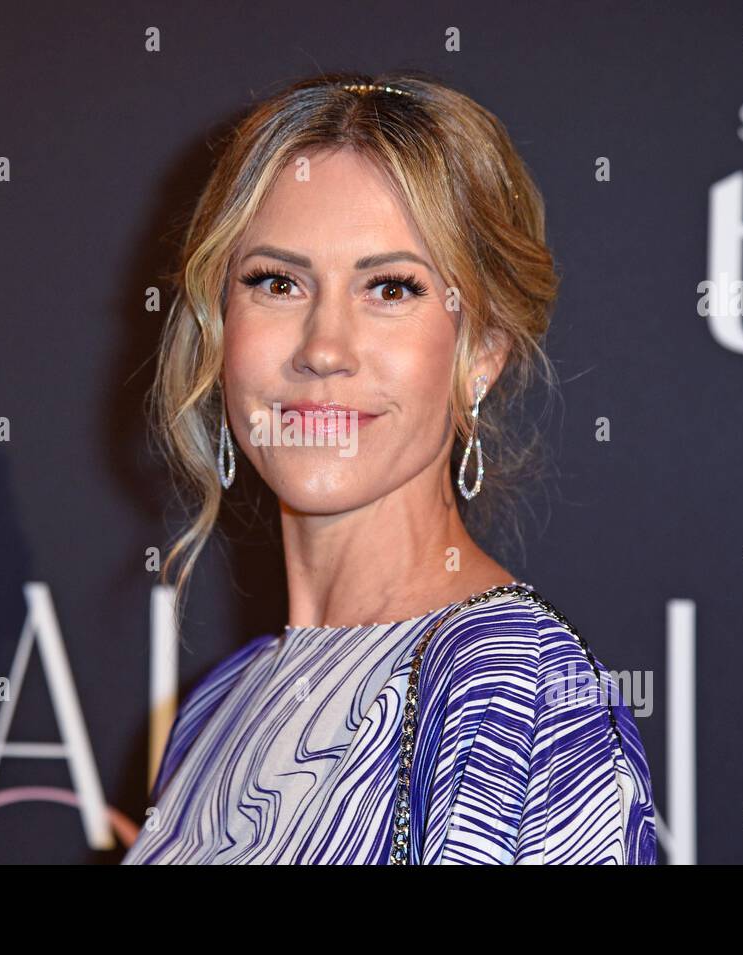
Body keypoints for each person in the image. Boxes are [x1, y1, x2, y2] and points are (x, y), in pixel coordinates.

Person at [123, 71, 656, 864]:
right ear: (216, 331)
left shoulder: (516, 694)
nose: (323, 347)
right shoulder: (216, 707)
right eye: (276, 281)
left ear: (479, 355)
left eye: (390, 288)